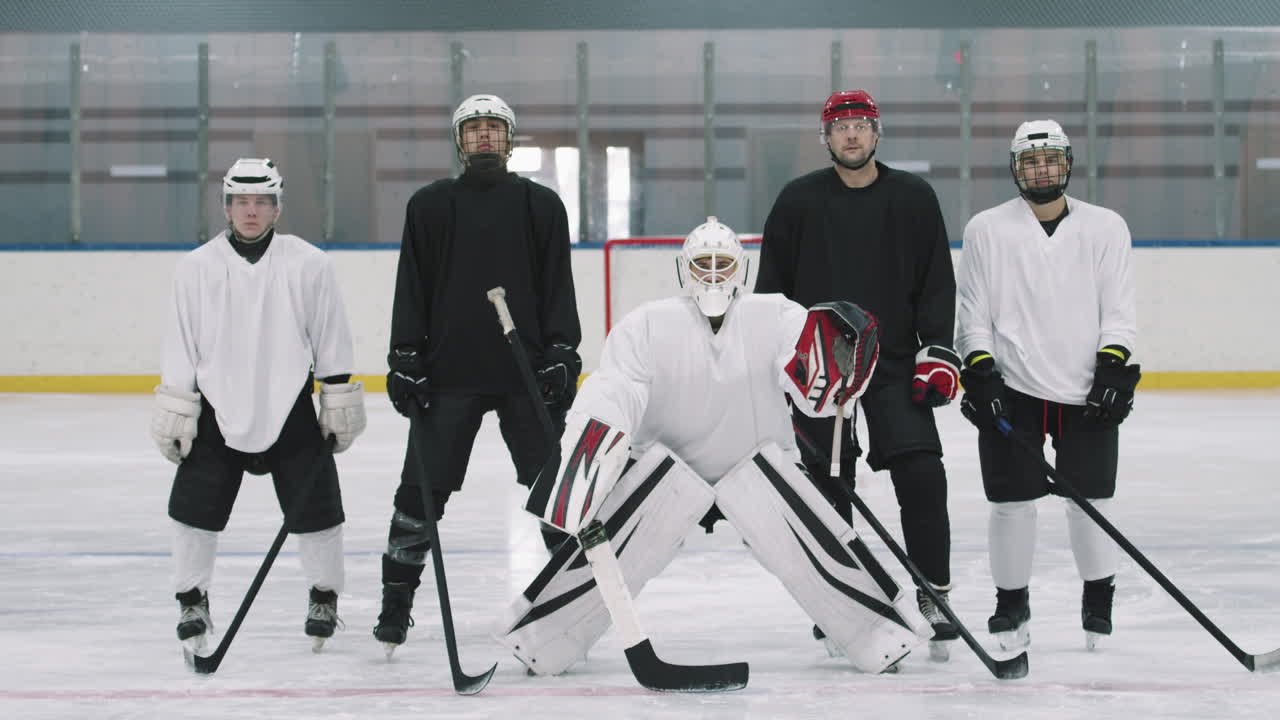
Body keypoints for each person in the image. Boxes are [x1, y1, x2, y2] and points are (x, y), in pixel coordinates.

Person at [496, 217, 929, 677]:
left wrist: (837, 373)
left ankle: (880, 636)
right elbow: (616, 388)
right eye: (704, 264)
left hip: (760, 468)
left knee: (813, 548)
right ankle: (543, 642)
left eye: (724, 264)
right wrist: (592, 446)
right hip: (663, 473)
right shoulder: (646, 324)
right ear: (685, 270)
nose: (714, 274)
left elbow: (811, 389)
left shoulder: (777, 314)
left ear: (741, 269)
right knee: (615, 552)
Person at [754, 89, 961, 657]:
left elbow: (937, 282)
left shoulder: (914, 198)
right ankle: (841, 600)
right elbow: (771, 291)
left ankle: (932, 593)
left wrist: (937, 351)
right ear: (826, 136)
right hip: (819, 365)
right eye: (840, 125)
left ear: (877, 133)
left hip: (892, 364)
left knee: (922, 472)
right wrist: (777, 357)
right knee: (825, 487)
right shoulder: (797, 202)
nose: (851, 134)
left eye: (861, 125)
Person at [374, 93, 582, 656]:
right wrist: (406, 357)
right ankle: (395, 610)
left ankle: (578, 604)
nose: (485, 137)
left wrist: (563, 350)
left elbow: (558, 285)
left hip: (526, 373)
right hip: (449, 373)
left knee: (555, 492)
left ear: (509, 139)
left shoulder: (542, 206)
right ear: (459, 140)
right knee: (420, 492)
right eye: (475, 130)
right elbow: (411, 287)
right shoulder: (430, 206)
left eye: (494, 128)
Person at [151, 157, 365, 656]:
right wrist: (179, 408)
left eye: (262, 202)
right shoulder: (196, 268)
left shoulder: (310, 263)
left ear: (276, 208)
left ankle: (324, 596)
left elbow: (330, 337)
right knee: (194, 510)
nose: (251, 211)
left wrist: (334, 400)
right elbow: (180, 344)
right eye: (242, 202)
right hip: (215, 408)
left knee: (317, 510)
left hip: (289, 404)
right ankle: (192, 598)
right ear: (227, 207)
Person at [955, 119, 1139, 652]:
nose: (1042, 169)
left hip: (1086, 392)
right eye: (1031, 162)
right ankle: (1011, 603)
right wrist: (981, 372)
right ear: (1017, 169)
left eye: (1051, 160)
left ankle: (1097, 601)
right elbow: (973, 313)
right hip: (1013, 389)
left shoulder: (1106, 227)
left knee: (1092, 500)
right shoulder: (986, 229)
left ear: (1068, 164)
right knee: (1010, 502)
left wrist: (1112, 369)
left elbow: (1119, 312)